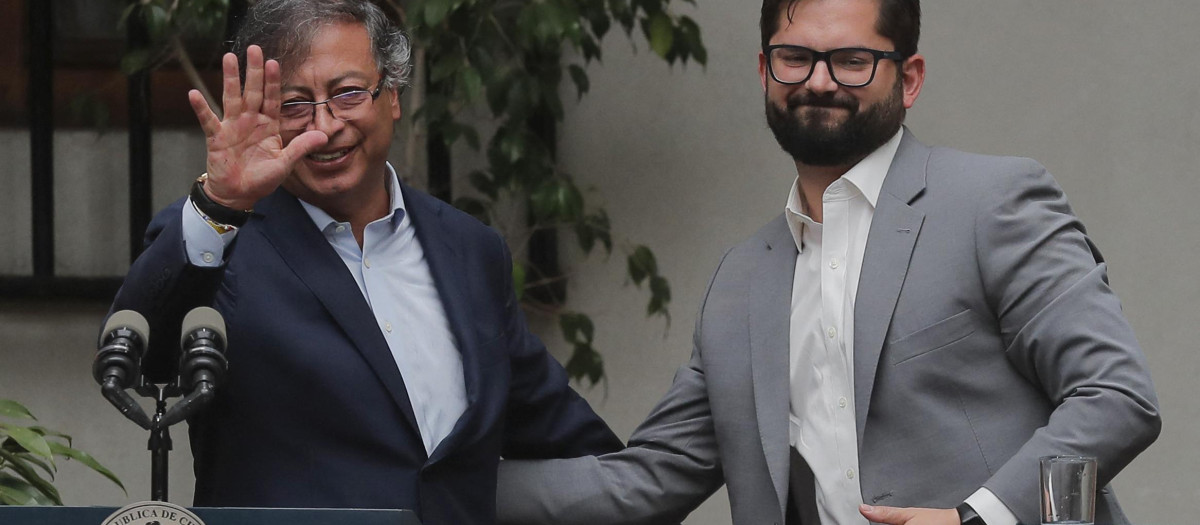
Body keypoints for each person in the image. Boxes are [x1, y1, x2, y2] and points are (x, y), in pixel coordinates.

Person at [496, 1, 1161, 525]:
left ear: (910, 77)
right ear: (764, 72)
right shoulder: (741, 282)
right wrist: (431, 484)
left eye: (851, 60)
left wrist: (976, 517)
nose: (818, 80)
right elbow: (642, 484)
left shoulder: (993, 203)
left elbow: (1115, 396)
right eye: (795, 57)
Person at [107, 1, 622, 524]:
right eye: (295, 105)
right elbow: (142, 357)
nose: (326, 126)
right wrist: (221, 203)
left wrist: (675, 467)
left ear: (392, 95)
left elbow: (559, 432)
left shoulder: (469, 250)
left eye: (348, 94)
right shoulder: (222, 239)